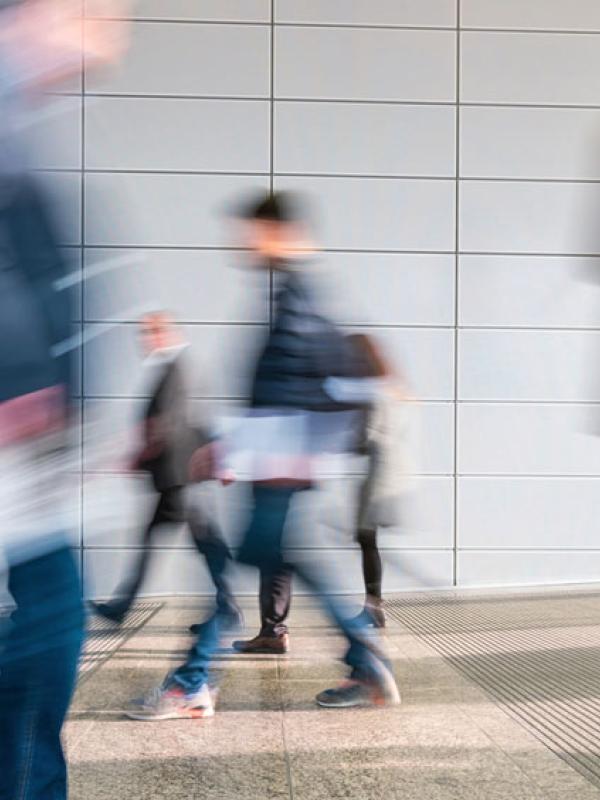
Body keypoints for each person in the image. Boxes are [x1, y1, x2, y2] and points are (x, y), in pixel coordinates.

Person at [123, 192, 401, 719]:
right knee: (267, 561)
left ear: (276, 231)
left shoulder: (298, 297)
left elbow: (299, 382)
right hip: (274, 463)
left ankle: (192, 683)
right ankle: (363, 663)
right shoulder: (293, 293)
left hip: (276, 468)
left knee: (224, 570)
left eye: (251, 232)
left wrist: (249, 452)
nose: (244, 243)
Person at [92, 312, 241, 627]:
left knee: (202, 542)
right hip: (178, 476)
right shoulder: (175, 367)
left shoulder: (176, 368)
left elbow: (169, 424)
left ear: (163, 334)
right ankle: (225, 607)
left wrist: (138, 456)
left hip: (177, 475)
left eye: (148, 334)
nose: (143, 342)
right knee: (195, 541)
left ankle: (226, 608)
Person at [327, 334, 415, 629]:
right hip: (394, 473)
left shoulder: (374, 392)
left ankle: (374, 605)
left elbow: (366, 437)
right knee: (368, 540)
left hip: (379, 474)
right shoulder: (396, 388)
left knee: (367, 539)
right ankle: (374, 603)